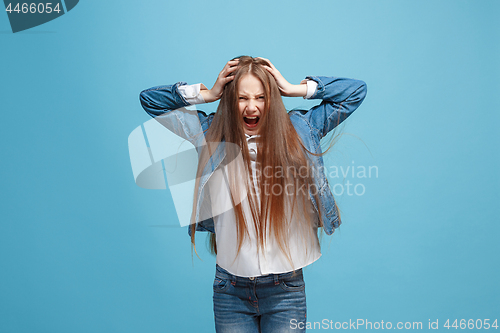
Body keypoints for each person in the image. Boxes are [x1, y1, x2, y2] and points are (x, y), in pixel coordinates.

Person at [139, 56, 367, 332]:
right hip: (230, 290)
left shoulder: (299, 129)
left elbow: (354, 92)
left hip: (285, 289)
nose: (251, 107)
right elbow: (150, 101)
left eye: (261, 97)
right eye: (242, 98)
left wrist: (295, 88)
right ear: (230, 99)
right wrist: (208, 94)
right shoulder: (210, 132)